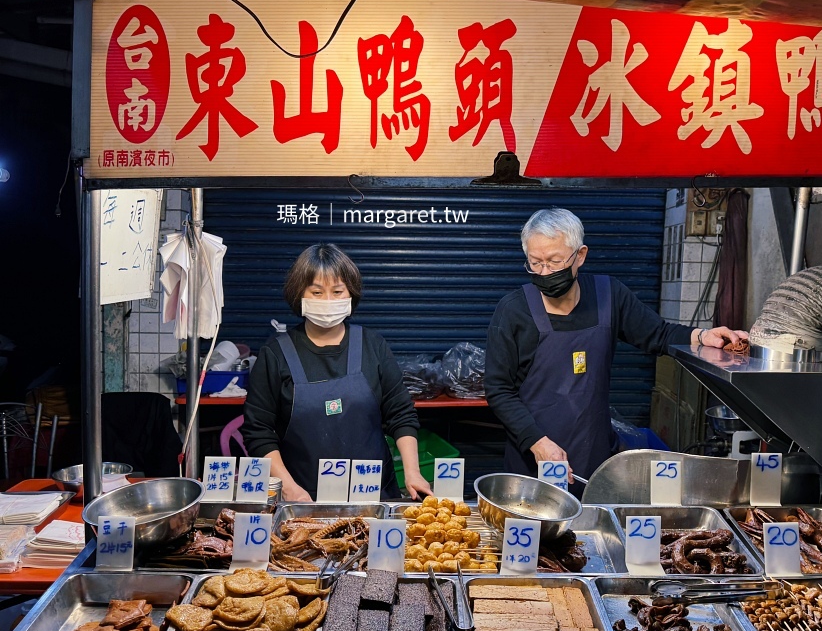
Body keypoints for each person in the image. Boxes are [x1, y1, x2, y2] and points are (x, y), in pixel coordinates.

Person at [485, 208, 748, 494]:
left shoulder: (609, 295)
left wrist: (702, 335)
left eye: (554, 261)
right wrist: (537, 442)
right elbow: (498, 389)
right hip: (532, 465)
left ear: (580, 255)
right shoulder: (513, 310)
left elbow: (657, 333)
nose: (545, 272)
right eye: (535, 263)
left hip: (595, 458)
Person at [243, 243, 432, 502]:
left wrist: (412, 473)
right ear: (299, 294)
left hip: (374, 496)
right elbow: (258, 432)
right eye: (317, 292)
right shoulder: (275, 354)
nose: (328, 301)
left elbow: (401, 414)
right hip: (303, 499)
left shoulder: (372, 345)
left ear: (350, 294)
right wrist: (288, 488)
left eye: (337, 291)